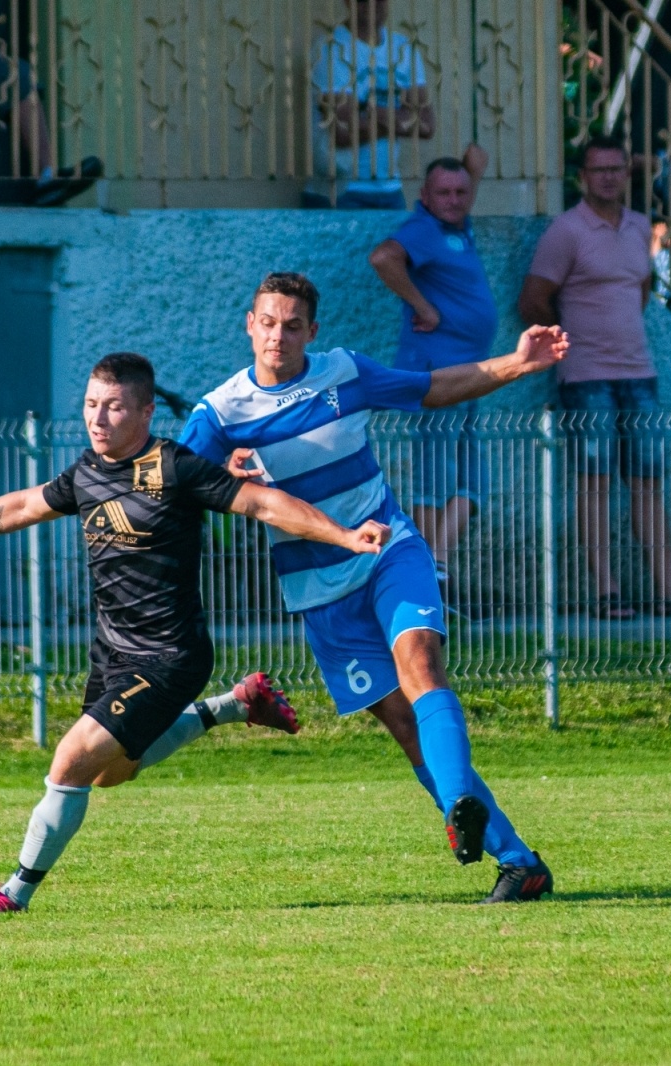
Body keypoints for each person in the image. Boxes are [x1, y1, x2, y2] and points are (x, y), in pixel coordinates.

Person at [0, 353, 393, 915]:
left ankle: (13, 893)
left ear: (146, 411)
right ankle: (234, 706)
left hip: (171, 655)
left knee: (69, 760)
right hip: (113, 654)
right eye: (91, 405)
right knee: (106, 777)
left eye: (114, 406)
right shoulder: (86, 473)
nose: (98, 419)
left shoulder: (175, 467)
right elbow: (23, 505)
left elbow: (263, 503)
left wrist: (344, 537)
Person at [180, 272, 567, 904]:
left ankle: (461, 801)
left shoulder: (344, 374)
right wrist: (222, 474)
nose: (279, 336)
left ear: (313, 330)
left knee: (422, 668)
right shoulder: (220, 413)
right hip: (319, 589)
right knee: (405, 727)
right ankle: (520, 863)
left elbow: (433, 387)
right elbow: (178, 484)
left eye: (293, 325)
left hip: (389, 549)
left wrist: (519, 365)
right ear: (249, 325)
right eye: (268, 323)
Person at [518, 134, 671, 621]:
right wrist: (570, 340)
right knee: (595, 483)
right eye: (598, 169)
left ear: (628, 173)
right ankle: (606, 592)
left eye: (616, 168)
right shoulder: (566, 231)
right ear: (582, 177)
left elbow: (641, 292)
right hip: (585, 377)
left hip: (639, 373)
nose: (608, 176)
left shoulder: (640, 227)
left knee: (649, 482)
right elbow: (533, 298)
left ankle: (670, 592)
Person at [366, 145, 496, 602]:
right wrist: (423, 307)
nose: (455, 199)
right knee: (437, 476)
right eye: (444, 192)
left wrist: (472, 170)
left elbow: (459, 196)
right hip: (439, 374)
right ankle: (426, 570)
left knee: (469, 482)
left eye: (463, 192)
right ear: (424, 195)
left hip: (470, 373)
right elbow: (383, 258)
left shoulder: (456, 226)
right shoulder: (423, 229)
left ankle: (434, 564)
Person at [304, 0, 434, 210]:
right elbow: (344, 132)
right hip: (340, 190)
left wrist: (371, 114)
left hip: (390, 189)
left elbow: (426, 126)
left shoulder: (403, 49)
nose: (373, 5)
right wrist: (399, 118)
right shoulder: (330, 49)